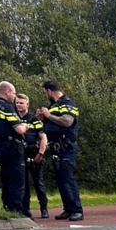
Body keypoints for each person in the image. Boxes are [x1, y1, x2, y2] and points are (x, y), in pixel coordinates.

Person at [37, 80, 83, 221]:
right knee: (61, 180)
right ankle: (68, 209)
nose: (46, 96)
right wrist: (43, 119)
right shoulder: (54, 106)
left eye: (46, 93)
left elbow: (67, 121)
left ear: (49, 91)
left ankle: (77, 210)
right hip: (57, 148)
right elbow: (53, 126)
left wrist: (48, 115)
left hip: (67, 147)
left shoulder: (68, 104)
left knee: (68, 179)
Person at [0, 81, 32, 218]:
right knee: (17, 178)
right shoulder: (6, 107)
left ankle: (6, 206)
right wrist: (26, 126)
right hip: (12, 148)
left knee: (5, 178)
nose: (14, 96)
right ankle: (16, 208)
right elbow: (18, 128)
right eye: (13, 93)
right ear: (7, 92)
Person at [15, 93, 49, 218]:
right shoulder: (14, 118)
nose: (19, 105)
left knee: (39, 184)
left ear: (27, 104)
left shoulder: (34, 119)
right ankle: (26, 209)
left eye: (21, 103)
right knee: (24, 185)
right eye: (17, 102)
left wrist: (40, 153)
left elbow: (43, 138)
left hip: (34, 156)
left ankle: (44, 208)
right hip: (20, 156)